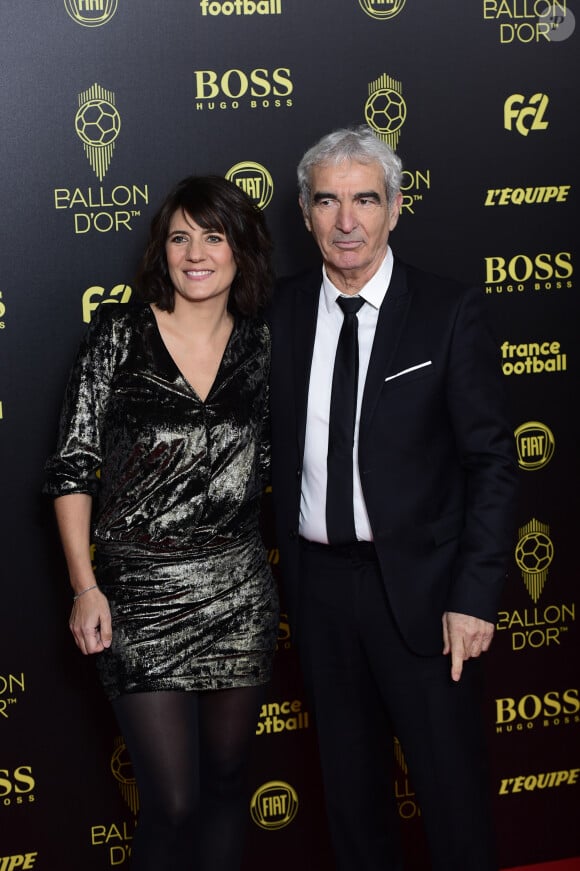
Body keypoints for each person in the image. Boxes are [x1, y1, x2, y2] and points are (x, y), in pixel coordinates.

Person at [268, 126, 519, 871]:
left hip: (426, 594)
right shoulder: (275, 314)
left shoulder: (447, 309)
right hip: (318, 593)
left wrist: (475, 596)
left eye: (365, 199)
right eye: (329, 201)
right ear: (307, 213)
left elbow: (493, 464)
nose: (347, 220)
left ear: (397, 207)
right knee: (350, 800)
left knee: (452, 797)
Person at [44, 175, 279, 871]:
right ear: (162, 249)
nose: (196, 253)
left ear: (242, 251)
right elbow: (71, 465)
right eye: (181, 237)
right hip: (138, 596)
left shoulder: (264, 347)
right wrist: (85, 587)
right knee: (173, 800)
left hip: (238, 591)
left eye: (214, 236)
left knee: (229, 784)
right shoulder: (118, 334)